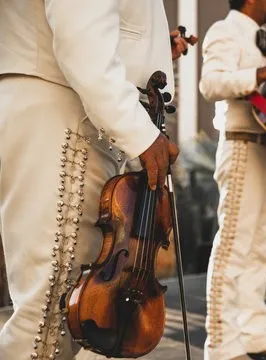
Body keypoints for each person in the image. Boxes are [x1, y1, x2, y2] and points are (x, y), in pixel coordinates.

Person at [0, 1, 190, 359]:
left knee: (70, 308)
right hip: (62, 107)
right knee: (49, 316)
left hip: (72, 108)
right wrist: (141, 135)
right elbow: (80, 37)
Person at [198, 1, 266, 359]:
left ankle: (256, 333)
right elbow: (210, 84)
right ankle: (221, 344)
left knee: (260, 250)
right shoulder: (224, 31)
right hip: (242, 145)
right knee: (234, 248)